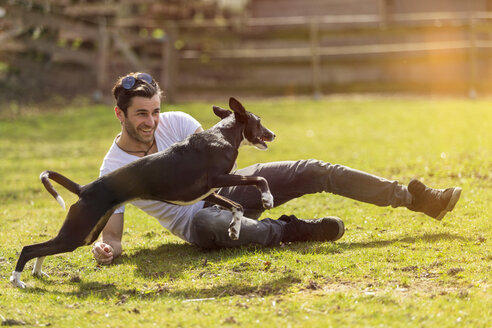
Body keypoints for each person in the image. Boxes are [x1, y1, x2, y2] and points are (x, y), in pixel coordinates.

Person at [91, 72, 462, 264]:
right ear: (119, 114)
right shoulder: (114, 169)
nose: (152, 122)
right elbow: (114, 237)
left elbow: (218, 163)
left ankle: (414, 198)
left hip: (227, 192)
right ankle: (290, 231)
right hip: (199, 222)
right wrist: (106, 250)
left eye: (155, 111)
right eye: (141, 114)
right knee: (212, 222)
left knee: (313, 169)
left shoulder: (180, 122)